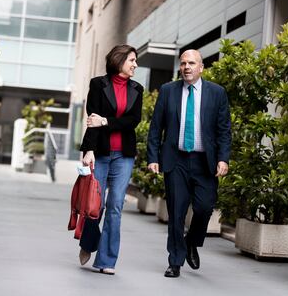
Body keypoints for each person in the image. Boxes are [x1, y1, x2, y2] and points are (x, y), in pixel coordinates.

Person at [147, 49, 231, 278]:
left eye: (191, 63)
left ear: (201, 67)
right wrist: (153, 158)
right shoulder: (168, 91)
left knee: (204, 208)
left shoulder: (217, 93)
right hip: (177, 161)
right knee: (176, 213)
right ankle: (174, 261)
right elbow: (156, 128)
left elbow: (224, 130)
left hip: (205, 162)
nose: (186, 67)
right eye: (183, 63)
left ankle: (191, 242)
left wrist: (223, 158)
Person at [79, 44, 143, 275]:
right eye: (132, 60)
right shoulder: (98, 84)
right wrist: (88, 151)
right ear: (119, 60)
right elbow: (92, 118)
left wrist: (106, 122)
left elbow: (132, 121)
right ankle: (88, 244)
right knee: (96, 205)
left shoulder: (137, 88)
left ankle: (107, 260)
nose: (135, 64)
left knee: (115, 206)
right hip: (101, 153)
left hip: (123, 155)